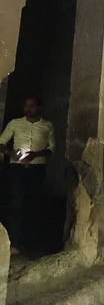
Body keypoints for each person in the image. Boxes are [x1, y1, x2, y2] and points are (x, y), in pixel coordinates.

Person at [0, 97, 55, 255]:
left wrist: (36, 154)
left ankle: (30, 243)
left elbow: (52, 148)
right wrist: (9, 152)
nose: (28, 109)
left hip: (36, 169)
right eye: (26, 106)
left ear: (39, 107)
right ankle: (13, 244)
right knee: (16, 205)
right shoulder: (15, 123)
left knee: (33, 205)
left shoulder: (47, 125)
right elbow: (1, 142)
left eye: (32, 106)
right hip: (16, 169)